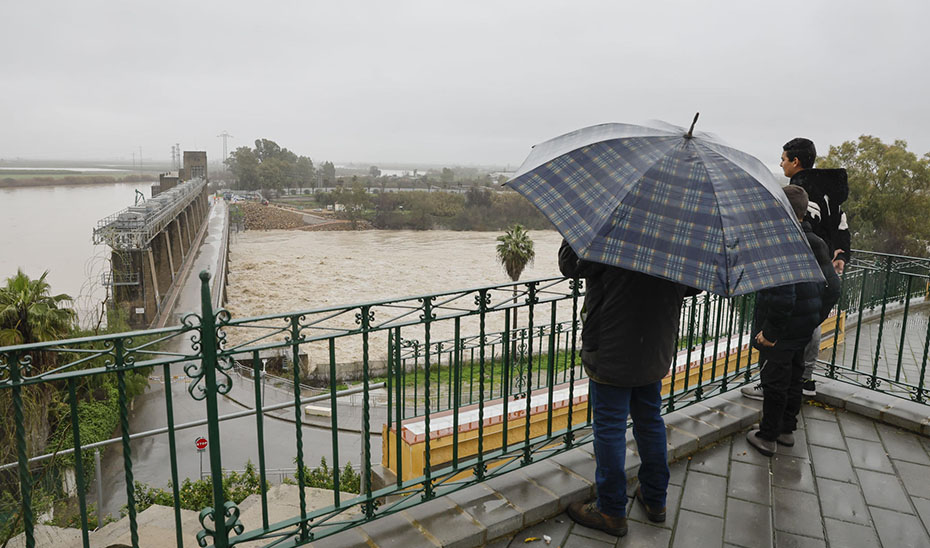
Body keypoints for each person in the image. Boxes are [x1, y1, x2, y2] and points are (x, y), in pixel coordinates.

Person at [559, 240, 699, 537]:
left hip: (611, 347)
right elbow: (694, 286)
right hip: (654, 346)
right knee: (650, 421)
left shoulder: (616, 230)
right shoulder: (681, 233)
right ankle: (655, 499)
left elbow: (570, 264)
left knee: (609, 427)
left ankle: (611, 510)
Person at [745, 185, 841, 457]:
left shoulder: (781, 241)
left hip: (781, 328)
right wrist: (812, 318)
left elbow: (783, 293)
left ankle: (768, 436)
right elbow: (834, 288)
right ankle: (787, 430)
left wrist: (771, 332)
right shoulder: (815, 240)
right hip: (802, 327)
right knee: (795, 376)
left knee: (775, 380)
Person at [782, 138, 849, 397]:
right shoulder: (829, 190)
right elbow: (842, 224)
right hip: (825, 263)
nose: (781, 163)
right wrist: (840, 254)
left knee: (794, 321)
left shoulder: (802, 189)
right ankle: (805, 380)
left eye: (784, 158)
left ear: (795, 161)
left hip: (805, 265)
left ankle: (781, 382)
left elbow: (800, 229)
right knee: (812, 320)